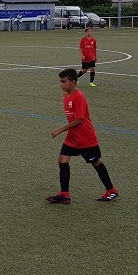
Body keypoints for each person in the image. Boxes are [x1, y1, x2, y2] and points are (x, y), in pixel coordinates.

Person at [45, 69, 118, 204]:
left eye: (64, 81)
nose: (61, 84)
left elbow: (79, 120)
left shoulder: (79, 97)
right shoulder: (66, 96)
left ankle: (111, 190)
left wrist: (60, 130)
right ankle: (64, 194)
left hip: (85, 137)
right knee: (62, 160)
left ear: (73, 82)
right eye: (60, 81)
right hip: (73, 137)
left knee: (96, 162)